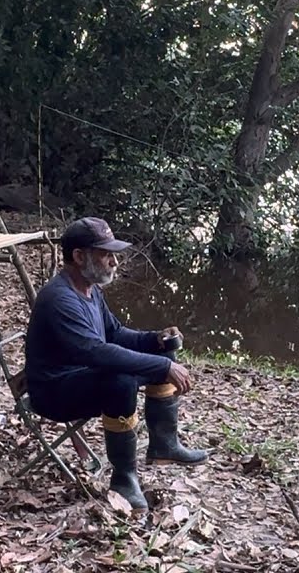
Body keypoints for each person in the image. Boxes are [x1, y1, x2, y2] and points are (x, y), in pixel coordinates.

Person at [25, 216, 209, 510]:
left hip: (84, 377)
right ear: (79, 257)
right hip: (53, 392)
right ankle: (124, 479)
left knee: (163, 356)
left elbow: (115, 333)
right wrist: (162, 368)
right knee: (121, 382)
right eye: (106, 254)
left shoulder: (90, 290)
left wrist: (155, 340)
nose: (114, 262)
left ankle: (164, 446)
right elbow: (97, 352)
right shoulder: (59, 299)